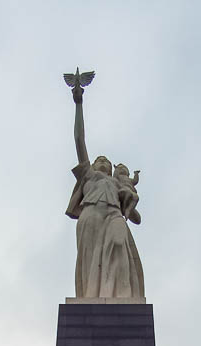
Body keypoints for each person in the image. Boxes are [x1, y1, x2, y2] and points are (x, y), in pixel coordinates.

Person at [66, 81, 145, 298]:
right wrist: (79, 104)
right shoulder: (89, 176)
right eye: (99, 159)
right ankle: (93, 298)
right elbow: (79, 140)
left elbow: (136, 218)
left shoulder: (116, 184)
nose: (102, 161)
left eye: (106, 161)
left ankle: (121, 295)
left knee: (120, 246)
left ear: (111, 170)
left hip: (113, 215)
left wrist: (130, 199)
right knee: (91, 263)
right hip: (90, 215)